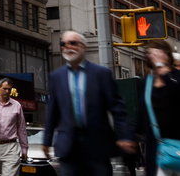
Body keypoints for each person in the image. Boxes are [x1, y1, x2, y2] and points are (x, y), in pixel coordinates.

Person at [43, 30, 136, 176]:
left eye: (72, 43)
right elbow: (52, 111)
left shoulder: (101, 74)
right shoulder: (56, 76)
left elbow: (118, 109)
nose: (67, 47)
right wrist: (46, 140)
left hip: (98, 146)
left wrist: (125, 136)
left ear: (83, 47)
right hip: (68, 147)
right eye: (63, 44)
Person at [137, 39, 180, 176]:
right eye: (151, 53)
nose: (155, 56)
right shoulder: (145, 83)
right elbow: (142, 113)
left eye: (159, 53)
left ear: (167, 55)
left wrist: (164, 72)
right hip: (158, 149)